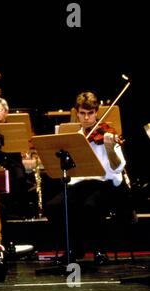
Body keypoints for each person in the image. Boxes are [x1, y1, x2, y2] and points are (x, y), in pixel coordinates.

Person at [45, 91, 127, 265]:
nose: (87, 118)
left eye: (91, 113)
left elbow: (118, 167)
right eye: (83, 113)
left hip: (106, 183)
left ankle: (99, 249)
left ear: (97, 112)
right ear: (77, 113)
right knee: (54, 206)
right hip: (81, 183)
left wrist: (110, 148)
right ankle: (74, 248)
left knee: (90, 206)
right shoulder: (74, 137)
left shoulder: (106, 133)